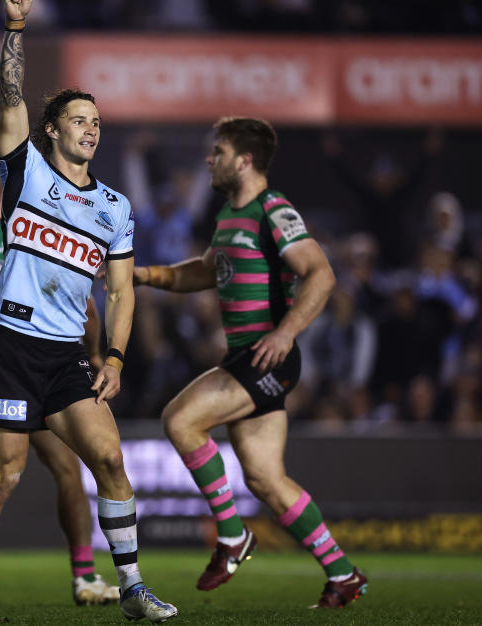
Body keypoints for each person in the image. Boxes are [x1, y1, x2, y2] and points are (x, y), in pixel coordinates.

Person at [0, 0, 176, 623]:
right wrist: (14, 28)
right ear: (51, 131)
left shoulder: (115, 208)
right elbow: (9, 95)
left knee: (109, 458)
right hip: (10, 346)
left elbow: (122, 292)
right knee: (4, 475)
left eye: (96, 121)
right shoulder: (27, 173)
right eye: (78, 119)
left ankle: (131, 588)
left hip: (68, 354)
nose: (91, 129)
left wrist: (117, 358)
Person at [134, 116, 369, 608]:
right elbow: (204, 271)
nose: (208, 159)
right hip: (248, 358)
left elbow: (321, 274)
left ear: (244, 160)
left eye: (217, 151)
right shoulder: (227, 216)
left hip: (266, 358)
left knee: (180, 420)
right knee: (265, 479)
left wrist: (286, 332)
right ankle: (343, 574)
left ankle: (232, 537)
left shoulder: (273, 210)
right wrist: (146, 274)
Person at [0, 155, 120, 608]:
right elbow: (85, 306)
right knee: (67, 472)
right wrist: (96, 354)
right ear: (3, 193)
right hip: (43, 356)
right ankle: (84, 576)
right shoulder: (23, 227)